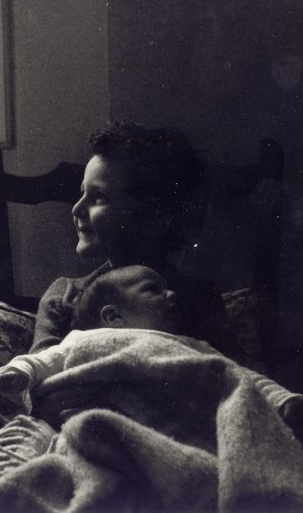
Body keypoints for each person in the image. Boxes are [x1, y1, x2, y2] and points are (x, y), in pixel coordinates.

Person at [29, 121, 239, 423]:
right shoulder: (65, 295)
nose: (76, 209)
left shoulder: (196, 298)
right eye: (82, 193)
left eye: (98, 197)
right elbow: (40, 388)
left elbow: (233, 386)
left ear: (152, 215)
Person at [0, 265, 303, 422]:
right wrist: (18, 371)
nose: (171, 295)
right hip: (94, 424)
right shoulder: (84, 338)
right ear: (113, 316)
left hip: (167, 430)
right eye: (153, 290)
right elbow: (46, 359)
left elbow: (240, 376)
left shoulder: (190, 344)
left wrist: (280, 398)